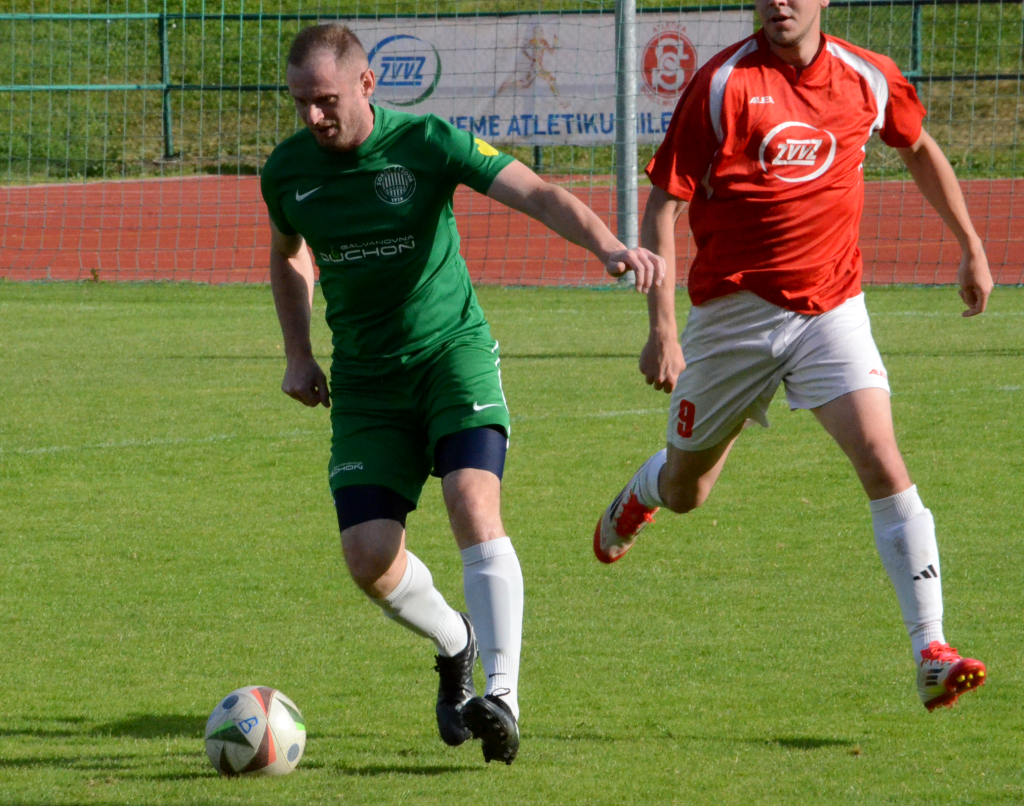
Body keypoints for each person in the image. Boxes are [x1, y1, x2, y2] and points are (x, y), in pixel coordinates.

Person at [261, 23, 664, 765]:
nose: (313, 117)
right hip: (367, 383)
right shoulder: (287, 172)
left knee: (472, 503)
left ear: (366, 85)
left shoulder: (427, 143)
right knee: (368, 558)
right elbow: (289, 253)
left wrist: (608, 244)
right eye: (300, 103)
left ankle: (502, 698)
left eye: (325, 100)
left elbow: (535, 192)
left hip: (453, 356)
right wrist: (298, 352)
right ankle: (456, 644)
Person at [593, 0, 992, 711]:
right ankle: (644, 491)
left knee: (882, 458)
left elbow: (917, 146)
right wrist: (663, 330)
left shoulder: (867, 75)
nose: (781, 1)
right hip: (732, 319)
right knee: (687, 492)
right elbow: (662, 207)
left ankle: (931, 650)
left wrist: (971, 245)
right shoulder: (721, 85)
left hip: (831, 310)